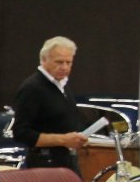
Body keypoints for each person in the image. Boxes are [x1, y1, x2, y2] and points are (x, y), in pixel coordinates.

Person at [11, 35, 89, 171]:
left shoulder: (62, 85)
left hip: (67, 160)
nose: (64, 67)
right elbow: (21, 133)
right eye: (59, 62)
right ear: (43, 60)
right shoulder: (32, 88)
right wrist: (64, 140)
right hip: (45, 163)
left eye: (69, 62)